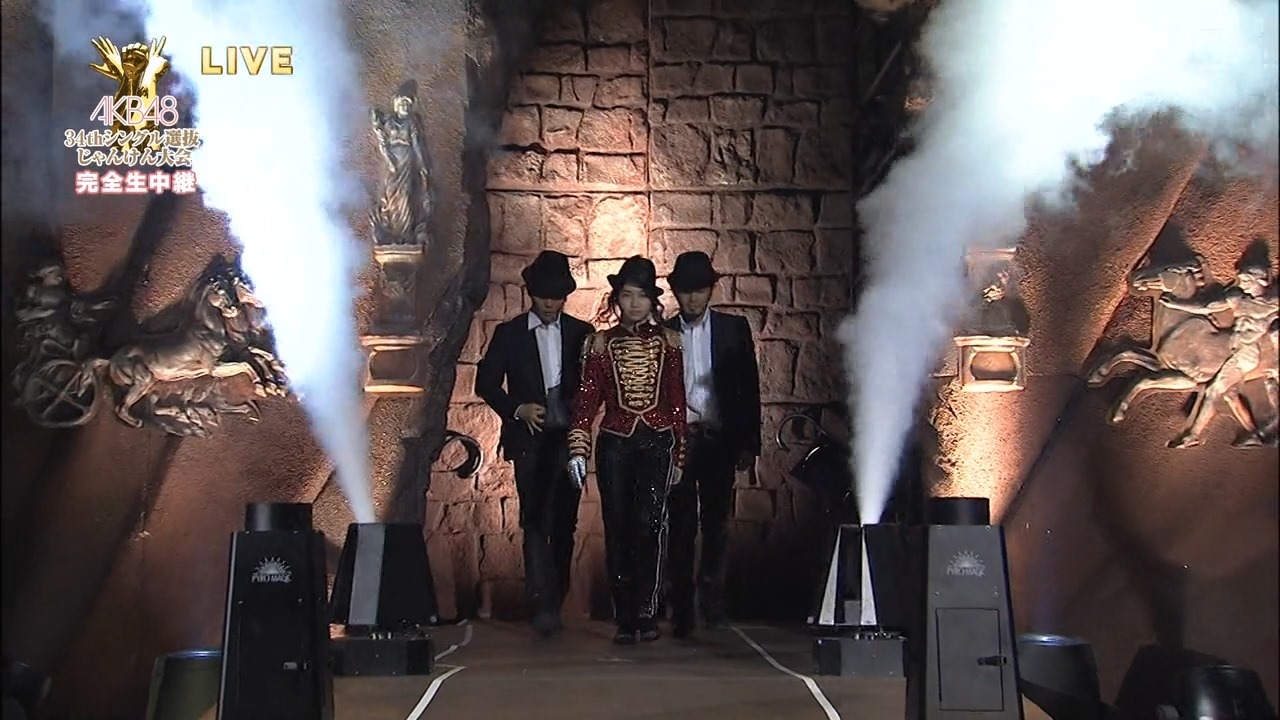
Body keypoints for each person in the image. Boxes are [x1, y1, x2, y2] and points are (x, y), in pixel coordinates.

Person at [567, 256, 688, 645]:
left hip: (657, 440)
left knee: (651, 525)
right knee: (617, 527)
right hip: (616, 442)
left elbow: (677, 401)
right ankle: (624, 616)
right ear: (616, 299)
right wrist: (578, 447)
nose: (633, 304)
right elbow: (586, 400)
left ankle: (647, 612)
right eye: (626, 295)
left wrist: (680, 453)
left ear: (652, 300)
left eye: (640, 296)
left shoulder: (669, 342)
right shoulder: (599, 344)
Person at [476, 251, 594, 636]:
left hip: (569, 441)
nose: (549, 302)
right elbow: (486, 383)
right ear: (530, 293)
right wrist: (517, 409)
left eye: (557, 296)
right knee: (535, 520)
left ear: (566, 296)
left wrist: (581, 422)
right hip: (529, 442)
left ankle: (555, 598)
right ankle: (542, 603)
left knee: (565, 521)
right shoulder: (509, 334)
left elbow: (594, 387)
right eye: (543, 295)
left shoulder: (582, 333)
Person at [662, 251, 762, 637]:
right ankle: (682, 609)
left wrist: (749, 442)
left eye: (699, 290)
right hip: (679, 440)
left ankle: (712, 602)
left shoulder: (733, 329)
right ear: (675, 292)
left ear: (710, 290)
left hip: (719, 438)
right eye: (686, 291)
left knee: (717, 523)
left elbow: (749, 387)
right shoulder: (663, 333)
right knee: (680, 525)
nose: (692, 298)